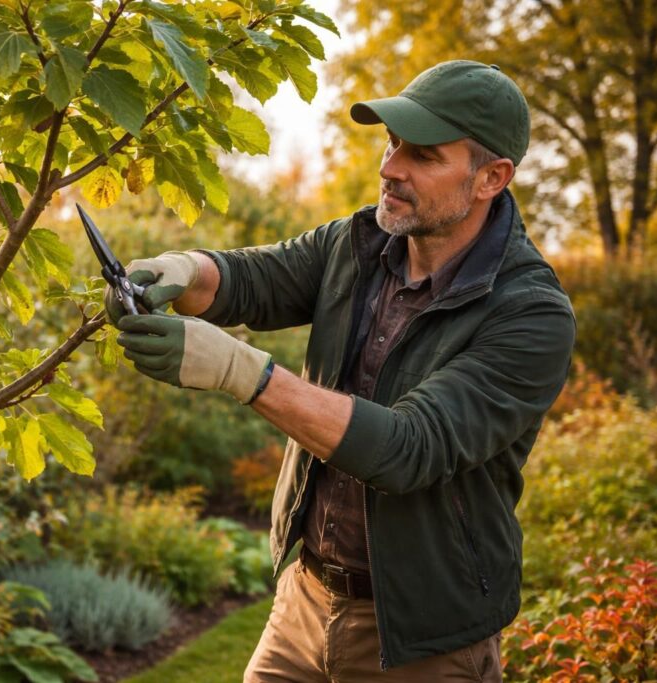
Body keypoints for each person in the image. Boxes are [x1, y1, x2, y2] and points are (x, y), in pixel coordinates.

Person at [105, 60, 576, 681]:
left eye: (424, 156)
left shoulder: (530, 314)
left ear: (492, 176)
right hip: (303, 603)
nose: (390, 169)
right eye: (391, 143)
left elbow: (411, 447)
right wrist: (183, 269)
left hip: (421, 641)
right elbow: (252, 279)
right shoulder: (356, 244)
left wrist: (241, 372)